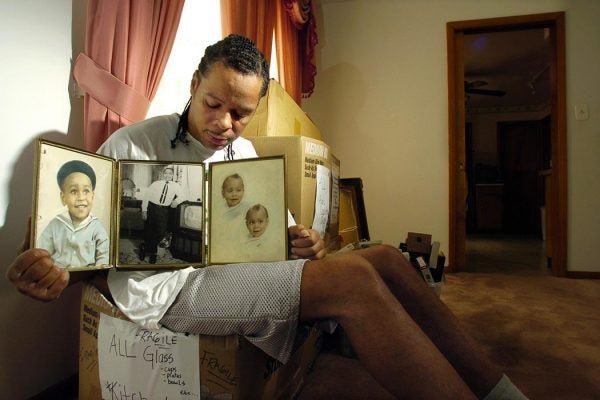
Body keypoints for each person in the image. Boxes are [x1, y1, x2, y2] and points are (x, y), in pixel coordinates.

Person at [6, 34, 527, 399]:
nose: (224, 123)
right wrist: (53, 267)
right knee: (353, 283)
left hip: (231, 273)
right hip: (168, 292)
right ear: (193, 85)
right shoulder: (131, 143)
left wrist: (304, 242)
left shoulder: (244, 154)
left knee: (387, 259)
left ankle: (499, 391)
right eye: (213, 104)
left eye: (242, 113)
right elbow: (79, 237)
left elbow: (275, 230)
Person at [37, 159, 109, 269]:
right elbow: (41, 252)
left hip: (87, 277)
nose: (81, 197)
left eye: (86, 191)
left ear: (92, 196)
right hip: (58, 276)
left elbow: (103, 256)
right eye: (74, 191)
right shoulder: (55, 224)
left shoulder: (96, 227)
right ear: (63, 197)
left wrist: (98, 270)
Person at [139, 165, 184, 264]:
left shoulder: (176, 186)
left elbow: (183, 195)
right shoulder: (156, 184)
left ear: (172, 176)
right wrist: (144, 210)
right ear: (163, 174)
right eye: (166, 173)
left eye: (170, 174)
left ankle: (145, 247)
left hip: (164, 210)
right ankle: (153, 253)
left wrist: (175, 201)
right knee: (149, 231)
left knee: (161, 231)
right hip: (152, 208)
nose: (168, 175)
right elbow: (146, 196)